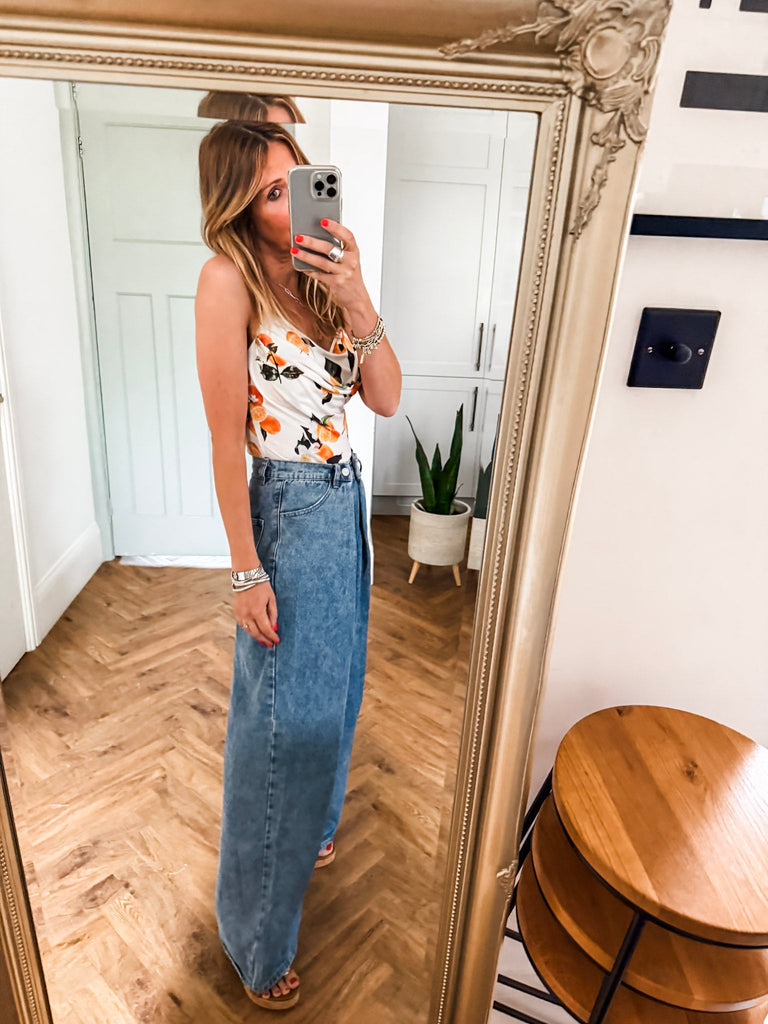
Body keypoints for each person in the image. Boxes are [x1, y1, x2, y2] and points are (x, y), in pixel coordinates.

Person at [194, 120, 401, 1010]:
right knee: (281, 730)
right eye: (273, 192)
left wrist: (356, 294)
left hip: (342, 502)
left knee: (338, 693)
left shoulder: (324, 276)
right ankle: (255, 941)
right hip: (285, 506)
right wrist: (246, 571)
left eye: (298, 181)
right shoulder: (227, 280)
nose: (292, 202)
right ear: (239, 205)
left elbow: (384, 397)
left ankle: (314, 826)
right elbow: (222, 442)